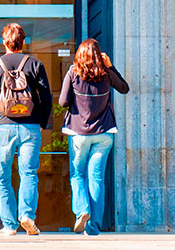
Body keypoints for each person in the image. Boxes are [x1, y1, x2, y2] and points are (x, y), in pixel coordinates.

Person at [0, 23, 52, 236]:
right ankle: (27, 215)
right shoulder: (35, 64)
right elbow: (46, 97)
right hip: (30, 126)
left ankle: (9, 225)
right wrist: (41, 121)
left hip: (4, 127)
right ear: (23, 41)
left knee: (3, 176)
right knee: (28, 172)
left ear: (4, 41)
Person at [59, 38, 129, 236]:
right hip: (104, 133)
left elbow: (63, 101)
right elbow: (124, 88)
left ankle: (82, 210)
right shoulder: (106, 74)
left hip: (78, 133)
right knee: (96, 177)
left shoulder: (73, 72)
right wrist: (110, 66)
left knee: (77, 174)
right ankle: (93, 227)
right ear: (100, 56)